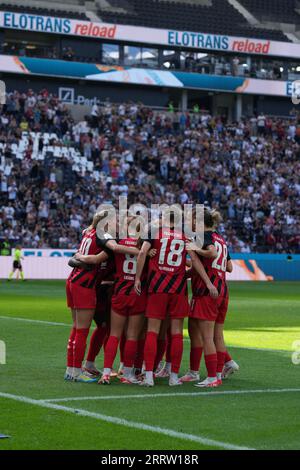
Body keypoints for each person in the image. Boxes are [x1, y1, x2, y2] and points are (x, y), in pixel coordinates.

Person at [134, 211, 218, 387]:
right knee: (177, 333)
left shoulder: (154, 231)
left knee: (152, 331)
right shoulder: (186, 236)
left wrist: (137, 278)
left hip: (157, 287)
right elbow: (195, 260)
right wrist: (206, 282)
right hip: (178, 288)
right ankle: (173, 377)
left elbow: (142, 253)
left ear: (164, 219)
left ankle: (148, 375)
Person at [185, 209, 233, 388]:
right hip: (222, 290)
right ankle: (218, 373)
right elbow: (229, 267)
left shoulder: (203, 237)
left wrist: (195, 248)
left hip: (207, 291)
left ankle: (212, 376)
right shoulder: (220, 238)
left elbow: (211, 253)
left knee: (206, 337)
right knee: (217, 336)